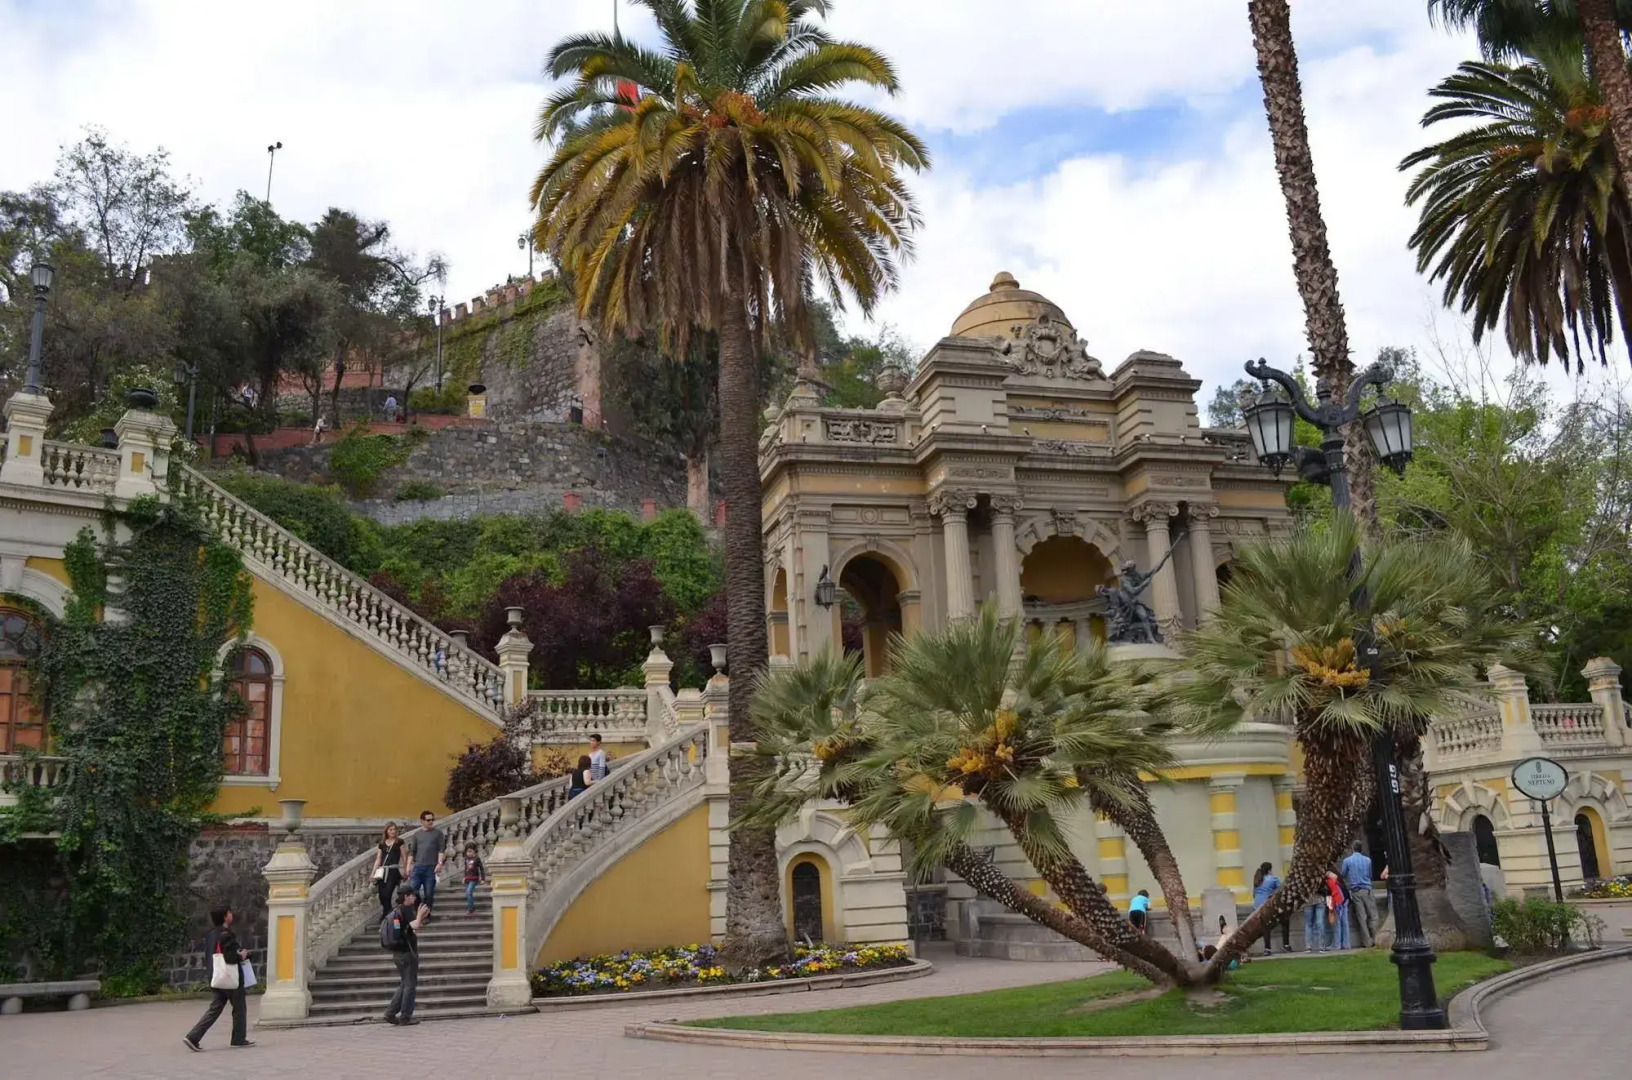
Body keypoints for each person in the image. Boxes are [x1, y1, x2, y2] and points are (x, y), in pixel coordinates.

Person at [183, 905, 254, 1051]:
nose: (231, 915)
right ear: (225, 916)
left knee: (214, 1009)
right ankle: (238, 1039)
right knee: (239, 1008)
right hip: (230, 979)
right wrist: (242, 955)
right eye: (229, 913)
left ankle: (193, 1036)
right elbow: (230, 957)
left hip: (216, 976)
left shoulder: (210, 935)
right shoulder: (226, 934)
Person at [382, 883, 428, 1026]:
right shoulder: (405, 910)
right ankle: (406, 1016)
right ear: (406, 897)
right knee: (409, 985)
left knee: (404, 984)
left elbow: (405, 930)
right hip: (406, 953)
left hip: (398, 953)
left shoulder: (396, 912)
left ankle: (390, 1012)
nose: (414, 897)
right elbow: (411, 928)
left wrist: (417, 922)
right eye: (412, 895)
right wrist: (419, 917)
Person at [406, 809, 446, 919]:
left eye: (432, 820)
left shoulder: (438, 834)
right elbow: (412, 851)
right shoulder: (417, 835)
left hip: (431, 868)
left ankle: (427, 915)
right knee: (413, 891)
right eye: (428, 820)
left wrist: (439, 863)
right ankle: (418, 912)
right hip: (418, 867)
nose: (431, 822)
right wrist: (408, 866)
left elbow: (441, 850)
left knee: (429, 894)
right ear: (422, 821)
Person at [1340, 842, 1377, 948]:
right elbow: (1370, 875)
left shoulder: (1347, 861)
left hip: (1356, 891)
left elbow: (1343, 874)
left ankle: (1367, 942)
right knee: (1373, 916)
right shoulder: (1367, 860)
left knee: (1362, 917)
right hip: (1367, 889)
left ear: (1352, 848)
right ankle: (1375, 938)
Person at [1251, 862, 1291, 955]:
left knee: (1265, 927)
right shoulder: (1273, 879)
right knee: (1285, 921)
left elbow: (1254, 894)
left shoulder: (1257, 880)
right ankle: (1285, 945)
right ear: (1269, 870)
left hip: (1257, 906)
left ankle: (1267, 949)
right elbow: (1282, 889)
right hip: (1268, 905)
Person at [373, 822, 406, 916]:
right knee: (381, 895)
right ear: (386, 831)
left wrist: (405, 870)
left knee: (388, 893)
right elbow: (378, 859)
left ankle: (387, 914)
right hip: (383, 871)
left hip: (393, 871)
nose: (393, 831)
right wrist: (373, 873)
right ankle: (388, 912)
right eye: (390, 829)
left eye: (394, 829)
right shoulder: (382, 843)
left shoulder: (399, 842)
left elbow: (404, 857)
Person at [1324, 870, 1350, 951]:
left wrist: (1330, 908)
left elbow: (1329, 895)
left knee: (1336, 924)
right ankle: (1346, 944)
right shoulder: (1338, 882)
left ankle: (1336, 945)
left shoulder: (1328, 882)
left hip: (1337, 903)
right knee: (1344, 923)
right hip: (1344, 902)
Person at [460, 843, 488, 916]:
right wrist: (464, 877)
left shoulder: (477, 859)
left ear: (474, 851)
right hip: (467, 879)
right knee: (468, 894)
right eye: (467, 851)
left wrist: (483, 879)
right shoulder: (466, 859)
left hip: (474, 879)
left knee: (469, 892)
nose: (468, 853)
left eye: (470, 851)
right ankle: (472, 908)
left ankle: (471, 909)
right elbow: (466, 869)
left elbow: (481, 869)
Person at [1304, 882, 1328, 953]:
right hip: (1318, 899)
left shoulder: (1304, 875)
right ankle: (1320, 946)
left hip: (1309, 900)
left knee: (1310, 924)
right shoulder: (1320, 873)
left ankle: (1310, 946)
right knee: (1319, 923)